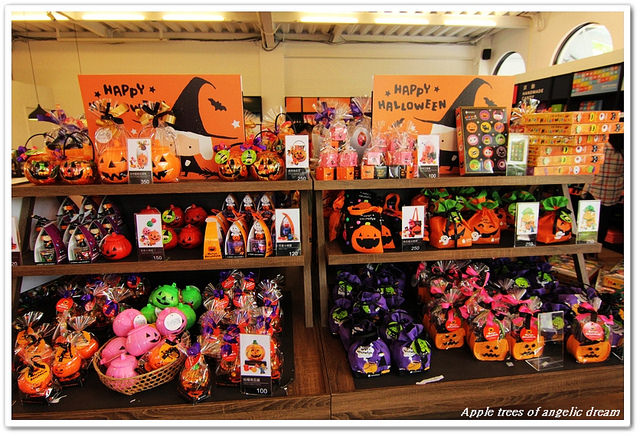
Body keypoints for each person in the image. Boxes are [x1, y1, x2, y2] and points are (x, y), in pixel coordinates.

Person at [582, 133, 624, 244]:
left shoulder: (601, 147)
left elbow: (590, 168)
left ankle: (586, 249)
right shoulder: (622, 149)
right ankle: (597, 248)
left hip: (594, 189)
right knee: (603, 224)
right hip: (612, 194)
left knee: (588, 223)